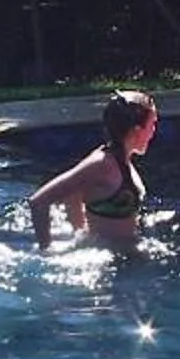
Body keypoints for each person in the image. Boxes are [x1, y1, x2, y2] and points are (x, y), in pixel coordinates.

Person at [29, 89, 159, 249]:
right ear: (137, 130)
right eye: (152, 124)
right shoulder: (101, 164)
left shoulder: (121, 161)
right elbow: (39, 202)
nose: (154, 131)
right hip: (107, 261)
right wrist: (46, 251)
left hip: (122, 255)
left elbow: (73, 195)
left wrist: (80, 233)